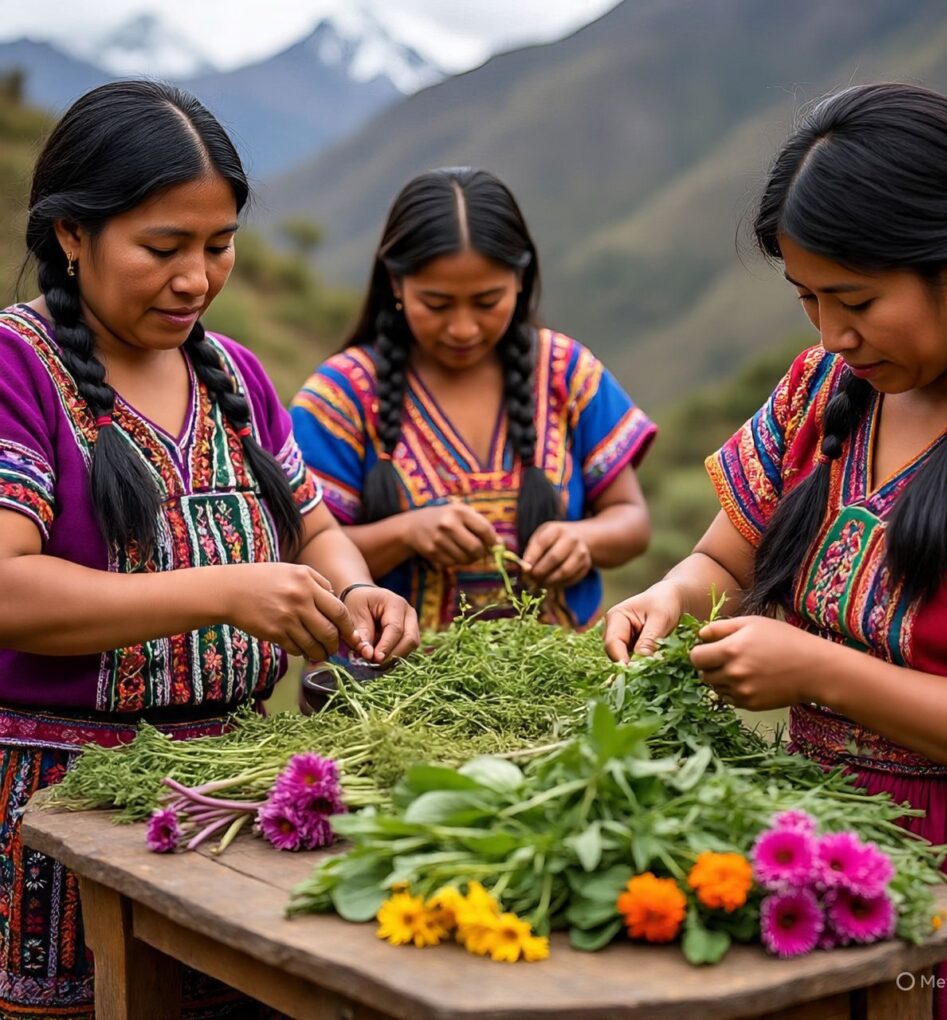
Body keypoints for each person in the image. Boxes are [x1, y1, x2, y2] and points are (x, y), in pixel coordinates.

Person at [0, 80, 418, 1019]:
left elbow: (314, 528)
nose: (196, 278)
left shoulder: (233, 372)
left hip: (232, 807)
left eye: (218, 246)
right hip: (59, 821)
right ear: (72, 234)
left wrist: (357, 594)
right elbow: (7, 590)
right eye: (163, 248)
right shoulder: (15, 368)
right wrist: (221, 592)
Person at [604, 82, 947, 1019]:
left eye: (858, 300)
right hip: (818, 852)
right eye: (809, 301)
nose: (834, 334)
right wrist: (670, 598)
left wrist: (821, 674)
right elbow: (722, 562)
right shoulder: (824, 391)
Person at [291, 167, 656, 636]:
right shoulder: (341, 396)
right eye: (437, 304)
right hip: (392, 693)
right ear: (396, 284)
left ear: (521, 280)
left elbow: (632, 522)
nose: (463, 328)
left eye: (487, 302)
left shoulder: (566, 372)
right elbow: (301, 546)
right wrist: (406, 533)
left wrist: (583, 539)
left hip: (558, 687)